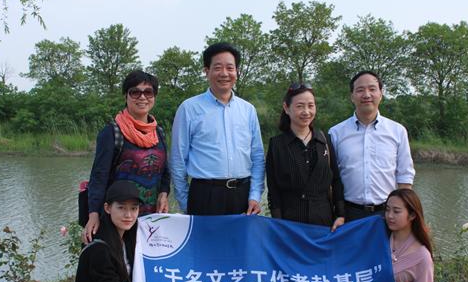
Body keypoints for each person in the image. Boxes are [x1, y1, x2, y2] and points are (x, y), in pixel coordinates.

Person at [170, 42, 264, 216]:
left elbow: (257, 156)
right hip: (204, 196)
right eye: (218, 68)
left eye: (230, 68)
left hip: (242, 196)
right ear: (207, 71)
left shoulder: (248, 110)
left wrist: (255, 195)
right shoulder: (189, 108)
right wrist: (185, 202)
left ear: (237, 72)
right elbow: (178, 159)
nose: (224, 74)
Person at [83, 70, 170, 243]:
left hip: (150, 221)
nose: (142, 97)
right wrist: (93, 214)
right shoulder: (112, 133)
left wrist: (164, 193)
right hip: (118, 220)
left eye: (148, 92)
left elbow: (165, 171)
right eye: (135, 92)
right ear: (126, 96)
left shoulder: (158, 132)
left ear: (154, 96)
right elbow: (99, 177)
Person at [329, 70, 415, 221]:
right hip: (348, 214)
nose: (366, 95)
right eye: (360, 90)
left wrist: (403, 213)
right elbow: (330, 179)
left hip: (386, 215)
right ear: (352, 96)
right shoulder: (336, 133)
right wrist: (337, 213)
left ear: (381, 94)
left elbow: (405, 176)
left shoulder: (397, 131)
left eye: (372, 89)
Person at [266, 82, 345, 231]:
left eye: (311, 105)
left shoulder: (325, 140)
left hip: (324, 222)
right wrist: (278, 223)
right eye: (300, 106)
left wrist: (341, 214)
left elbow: (336, 179)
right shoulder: (276, 145)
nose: (306, 111)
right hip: (290, 224)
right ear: (286, 108)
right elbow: (273, 189)